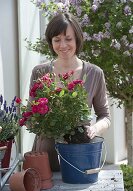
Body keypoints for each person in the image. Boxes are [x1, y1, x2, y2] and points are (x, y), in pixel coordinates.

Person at [29, 13, 111, 171]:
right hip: (46, 155)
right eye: (57, 40)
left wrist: (94, 129)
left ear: (77, 39)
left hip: (80, 153)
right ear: (50, 41)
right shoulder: (39, 72)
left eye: (68, 38)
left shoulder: (94, 73)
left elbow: (105, 116)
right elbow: (31, 114)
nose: (63, 45)